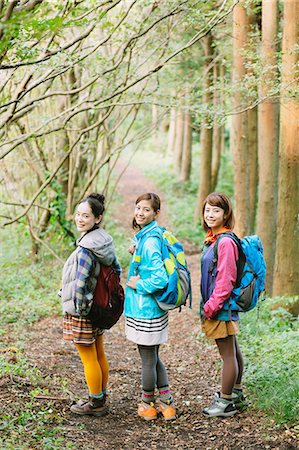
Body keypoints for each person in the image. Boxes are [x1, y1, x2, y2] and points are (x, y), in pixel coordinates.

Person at [60, 193, 121, 417]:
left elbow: (80, 283)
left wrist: (81, 310)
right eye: (78, 214)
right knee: (98, 353)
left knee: (88, 358)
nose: (80, 219)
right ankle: (100, 395)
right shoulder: (104, 241)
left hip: (83, 311)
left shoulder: (86, 248)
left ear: (98, 218)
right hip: (98, 307)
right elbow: (117, 271)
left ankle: (95, 403)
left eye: (86, 215)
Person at [125, 192, 176, 421]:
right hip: (151, 309)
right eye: (138, 208)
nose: (140, 213)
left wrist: (140, 284)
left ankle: (147, 404)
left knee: (147, 359)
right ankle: (167, 404)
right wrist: (137, 249)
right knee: (153, 357)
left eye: (146, 209)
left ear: (156, 213)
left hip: (146, 310)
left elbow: (160, 279)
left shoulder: (151, 241)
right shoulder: (148, 236)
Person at [200, 192, 247, 417]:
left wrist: (212, 306)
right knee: (234, 351)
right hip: (223, 305)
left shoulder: (226, 242)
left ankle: (225, 401)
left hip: (221, 306)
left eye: (216, 210)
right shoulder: (216, 239)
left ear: (225, 214)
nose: (210, 214)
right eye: (207, 210)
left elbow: (226, 278)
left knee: (227, 354)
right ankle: (237, 394)